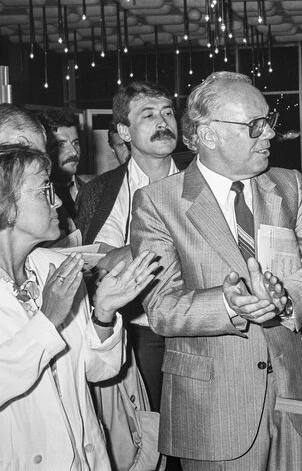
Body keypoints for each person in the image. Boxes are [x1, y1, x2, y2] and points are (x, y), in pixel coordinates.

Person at [130, 71, 302, 470]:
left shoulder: (289, 186)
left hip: (297, 391)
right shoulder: (158, 204)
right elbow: (161, 308)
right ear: (208, 135)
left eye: (269, 122)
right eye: (255, 126)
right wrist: (228, 306)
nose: (270, 135)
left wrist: (286, 297)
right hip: (213, 409)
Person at [0, 144, 157, 470]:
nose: (58, 201)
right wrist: (47, 320)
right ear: (6, 205)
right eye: (45, 190)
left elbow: (97, 371)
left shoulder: (58, 267)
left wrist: (104, 312)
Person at [75, 81, 184, 411]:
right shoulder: (101, 191)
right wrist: (172, 245)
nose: (163, 122)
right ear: (124, 130)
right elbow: (98, 265)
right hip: (138, 335)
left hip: (198, 328)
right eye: (148, 115)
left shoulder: (203, 180)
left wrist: (126, 251)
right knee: (150, 434)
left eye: (168, 112)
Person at [40, 109, 84, 236]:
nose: (74, 152)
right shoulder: (39, 199)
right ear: (44, 150)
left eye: (76, 143)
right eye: (60, 145)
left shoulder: (94, 191)